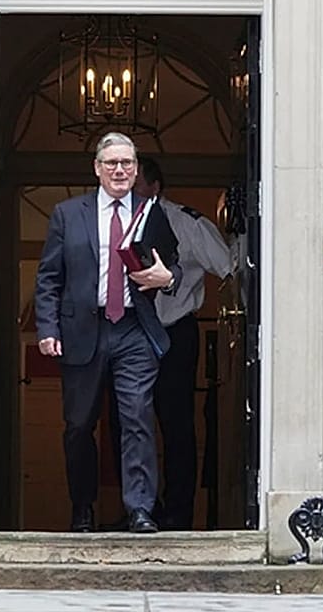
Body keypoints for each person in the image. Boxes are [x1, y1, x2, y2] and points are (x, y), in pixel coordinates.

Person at [33, 132, 181, 534]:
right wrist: (47, 327)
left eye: (128, 164)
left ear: (136, 170)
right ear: (97, 169)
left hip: (134, 329)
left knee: (136, 417)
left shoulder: (153, 213)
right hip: (83, 329)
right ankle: (83, 507)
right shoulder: (68, 214)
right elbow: (49, 277)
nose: (120, 170)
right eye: (112, 163)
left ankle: (140, 509)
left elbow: (174, 265)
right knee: (79, 425)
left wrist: (168, 278)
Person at [132, 156, 234, 530]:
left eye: (136, 182)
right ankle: (139, 509)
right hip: (128, 334)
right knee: (128, 423)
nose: (128, 189)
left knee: (176, 426)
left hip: (173, 332)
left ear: (155, 188)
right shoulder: (110, 222)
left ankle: (177, 513)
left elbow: (229, 269)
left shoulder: (186, 223)